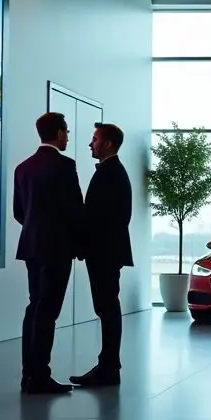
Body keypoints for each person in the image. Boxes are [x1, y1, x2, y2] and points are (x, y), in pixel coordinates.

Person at [13, 112, 83, 394]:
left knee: (34, 307)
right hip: (57, 249)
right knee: (48, 311)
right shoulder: (65, 166)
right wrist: (78, 243)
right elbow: (74, 211)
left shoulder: (23, 168)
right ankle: (40, 376)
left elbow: (20, 213)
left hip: (31, 246)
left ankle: (28, 375)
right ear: (58, 133)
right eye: (66, 131)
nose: (67, 136)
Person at [71, 123, 133, 388]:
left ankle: (108, 367)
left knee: (107, 308)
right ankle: (108, 366)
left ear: (108, 144)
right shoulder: (112, 172)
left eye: (94, 139)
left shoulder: (112, 173)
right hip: (107, 252)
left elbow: (100, 218)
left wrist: (83, 242)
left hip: (104, 253)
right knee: (107, 307)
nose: (90, 143)